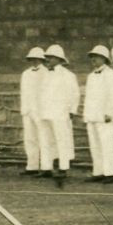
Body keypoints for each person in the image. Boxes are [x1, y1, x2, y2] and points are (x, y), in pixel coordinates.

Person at [38, 44, 79, 188]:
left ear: (59, 59)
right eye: (47, 57)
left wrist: (72, 110)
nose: (47, 59)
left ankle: (63, 167)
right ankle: (46, 167)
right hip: (45, 112)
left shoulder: (68, 75)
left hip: (60, 112)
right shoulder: (44, 74)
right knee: (45, 140)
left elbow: (74, 94)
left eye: (50, 57)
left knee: (62, 140)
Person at [82, 45, 113, 184]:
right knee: (94, 145)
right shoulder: (91, 76)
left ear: (104, 59)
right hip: (92, 116)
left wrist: (110, 113)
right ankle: (98, 171)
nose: (93, 59)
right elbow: (89, 97)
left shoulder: (111, 75)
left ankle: (109, 173)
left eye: (96, 56)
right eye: (92, 56)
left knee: (106, 144)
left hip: (105, 117)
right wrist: (87, 115)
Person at [18, 46, 47, 176]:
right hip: (28, 110)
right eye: (32, 59)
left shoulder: (46, 72)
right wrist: (25, 109)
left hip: (41, 110)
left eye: (37, 59)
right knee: (29, 139)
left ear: (42, 59)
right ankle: (32, 166)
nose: (35, 61)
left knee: (43, 138)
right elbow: (24, 92)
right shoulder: (25, 74)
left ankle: (46, 166)